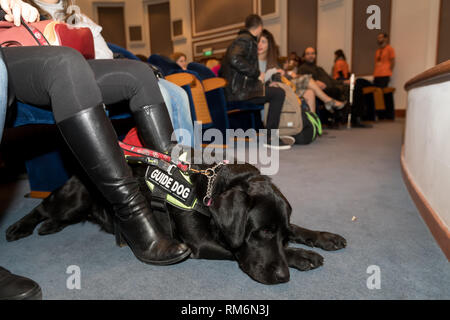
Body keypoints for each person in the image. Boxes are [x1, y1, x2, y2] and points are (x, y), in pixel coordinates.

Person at [1, 0, 190, 265]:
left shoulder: (70, 10)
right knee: (66, 62)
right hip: (8, 50)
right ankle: (132, 213)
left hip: (45, 51)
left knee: (139, 74)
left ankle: (172, 199)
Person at [27, 0, 194, 147]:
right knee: (161, 92)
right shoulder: (26, 12)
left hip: (101, 69)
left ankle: (190, 166)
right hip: (69, 78)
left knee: (179, 94)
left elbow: (105, 54)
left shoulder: (78, 17)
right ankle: (168, 169)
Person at [220, 14, 293, 150]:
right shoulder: (246, 40)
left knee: (274, 92)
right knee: (278, 93)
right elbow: (234, 58)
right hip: (240, 93)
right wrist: (257, 73)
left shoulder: (241, 39)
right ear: (260, 27)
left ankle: (271, 135)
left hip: (237, 91)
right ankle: (271, 137)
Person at [258, 30, 345, 114]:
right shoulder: (253, 62)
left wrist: (286, 74)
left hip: (283, 87)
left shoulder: (273, 61)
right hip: (270, 90)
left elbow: (285, 78)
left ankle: (311, 126)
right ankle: (328, 101)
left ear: (269, 45)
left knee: (310, 93)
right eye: (258, 41)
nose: (259, 45)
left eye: (263, 42)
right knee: (307, 79)